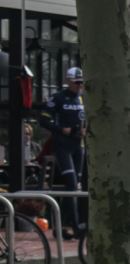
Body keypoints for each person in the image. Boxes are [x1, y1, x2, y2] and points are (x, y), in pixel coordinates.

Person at [39, 67, 87, 233]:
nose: (79, 86)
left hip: (79, 146)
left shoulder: (84, 98)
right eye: (76, 83)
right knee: (72, 184)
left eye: (82, 82)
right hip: (62, 145)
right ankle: (74, 224)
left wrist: (86, 130)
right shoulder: (58, 97)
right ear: (68, 81)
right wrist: (61, 129)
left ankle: (61, 226)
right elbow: (44, 120)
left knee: (75, 187)